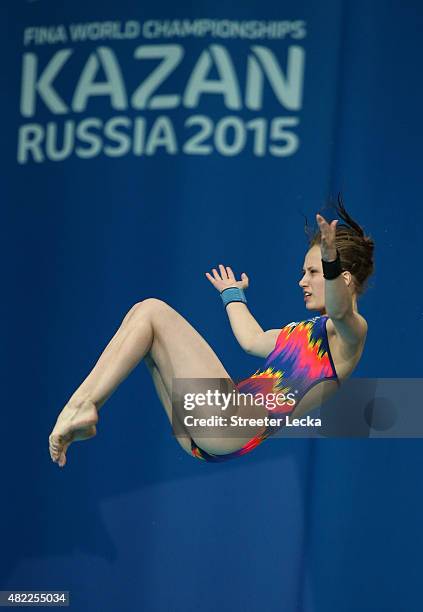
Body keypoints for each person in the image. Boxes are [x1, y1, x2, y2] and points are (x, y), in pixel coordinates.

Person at [49, 195, 374, 467]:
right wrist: (232, 295)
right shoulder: (301, 333)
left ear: (343, 279)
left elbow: (341, 309)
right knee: (144, 328)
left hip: (230, 423)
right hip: (205, 437)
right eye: (304, 271)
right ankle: (82, 410)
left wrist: (330, 263)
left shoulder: (349, 334)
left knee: (152, 310)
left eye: (313, 272)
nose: (302, 281)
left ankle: (81, 406)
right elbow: (252, 340)